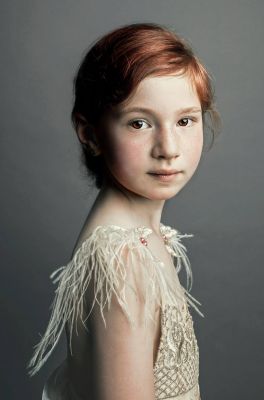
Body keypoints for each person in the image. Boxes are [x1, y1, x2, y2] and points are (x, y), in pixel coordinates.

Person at [27, 22, 221, 400]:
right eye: (139, 123)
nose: (168, 147)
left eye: (185, 120)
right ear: (91, 133)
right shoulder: (124, 261)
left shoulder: (138, 238)